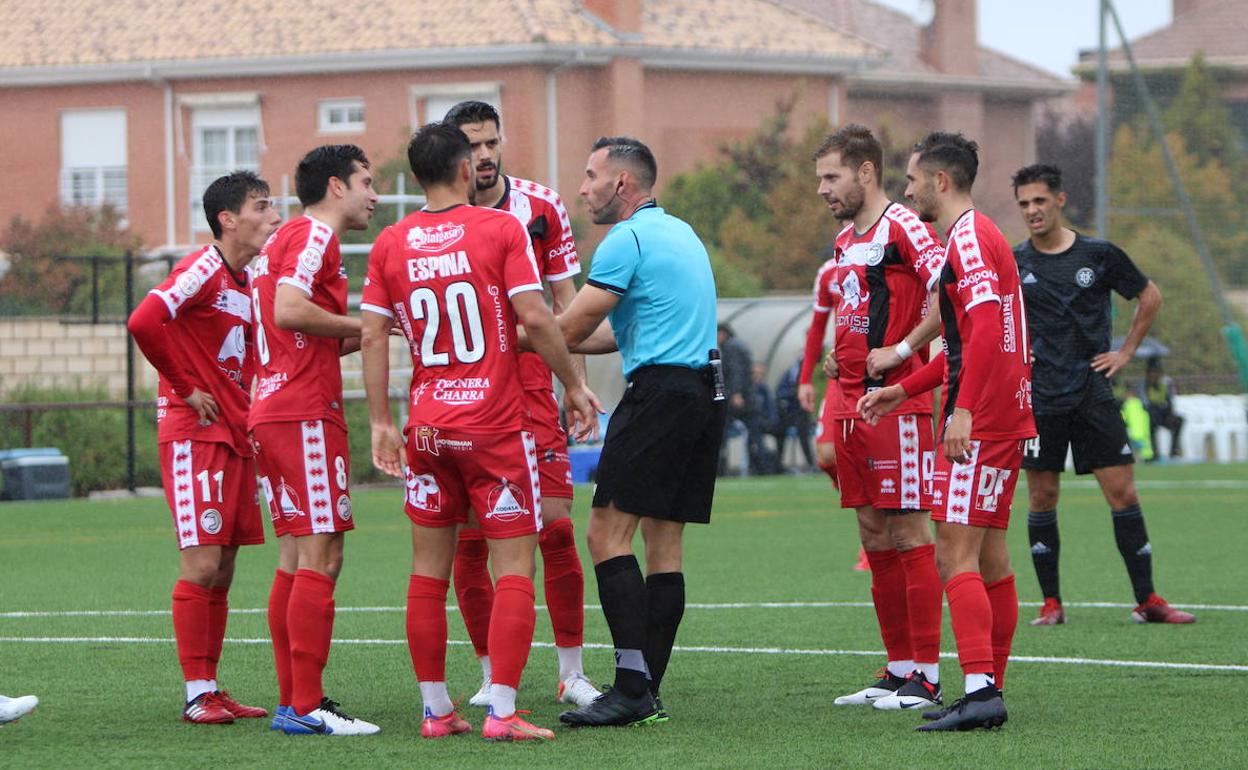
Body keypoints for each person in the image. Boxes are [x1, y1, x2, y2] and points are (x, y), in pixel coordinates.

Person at [361, 121, 599, 741]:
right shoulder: (501, 227)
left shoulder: (391, 241)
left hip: (428, 429)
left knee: (426, 573)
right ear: (467, 169)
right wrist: (572, 384)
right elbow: (536, 315)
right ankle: (502, 711)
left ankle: (437, 710)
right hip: (493, 427)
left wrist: (381, 421)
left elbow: (369, 334)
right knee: (516, 566)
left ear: (416, 179)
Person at [860, 131, 1035, 731]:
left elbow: (985, 331)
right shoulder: (978, 235)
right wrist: (903, 388)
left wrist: (961, 410)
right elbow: (963, 343)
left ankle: (981, 689)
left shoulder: (968, 236)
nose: (905, 192)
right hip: (1003, 413)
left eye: (911, 181)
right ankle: (991, 684)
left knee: (951, 552)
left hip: (982, 420)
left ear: (940, 181)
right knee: (989, 556)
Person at [553, 136, 724, 727]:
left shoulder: (623, 239)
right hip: (704, 391)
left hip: (661, 395)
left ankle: (629, 687)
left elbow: (571, 324)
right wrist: (547, 336)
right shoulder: (680, 232)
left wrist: (491, 338)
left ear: (621, 183)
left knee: (605, 534)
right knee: (663, 544)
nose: (583, 188)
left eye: (590, 174)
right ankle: (645, 686)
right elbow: (605, 335)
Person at [441, 100, 600, 709]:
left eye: (490, 142)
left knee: (557, 527)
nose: (482, 155)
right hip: (465, 392)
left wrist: (573, 382)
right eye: (470, 144)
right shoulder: (437, 217)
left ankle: (571, 671)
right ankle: (488, 674)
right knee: (472, 541)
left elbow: (566, 299)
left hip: (534, 382)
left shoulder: (539, 205)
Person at [802, 124, 947, 712]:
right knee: (873, 533)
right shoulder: (844, 241)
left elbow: (950, 294)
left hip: (900, 404)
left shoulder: (905, 226)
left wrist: (905, 350)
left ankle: (929, 676)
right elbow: (859, 311)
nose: (822, 189)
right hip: (853, 403)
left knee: (910, 530)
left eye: (831, 176)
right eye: (819, 179)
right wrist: (843, 353)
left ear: (866, 172)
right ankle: (897, 669)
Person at [127, 171, 279, 725]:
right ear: (228, 220)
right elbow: (145, 320)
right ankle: (196, 693)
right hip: (196, 433)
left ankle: (211, 686)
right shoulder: (202, 268)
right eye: (262, 207)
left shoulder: (246, 281)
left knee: (225, 567)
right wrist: (186, 387)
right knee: (203, 562)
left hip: (236, 434)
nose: (273, 216)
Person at [1011, 163, 1192, 626]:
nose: (1032, 210)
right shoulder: (1014, 262)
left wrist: (1125, 352)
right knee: (1042, 498)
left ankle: (1147, 599)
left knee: (1123, 492)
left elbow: (1149, 296)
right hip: (1042, 398)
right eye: (1024, 204)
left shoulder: (1099, 253)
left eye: (1039, 201)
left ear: (1059, 200)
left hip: (1092, 392)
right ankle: (1051, 604)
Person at [249, 144, 381, 736]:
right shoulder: (313, 238)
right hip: (303, 413)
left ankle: (293, 702)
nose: (375, 195)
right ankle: (307, 705)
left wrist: (376, 330)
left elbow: (302, 333)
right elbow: (289, 310)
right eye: (367, 182)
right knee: (323, 554)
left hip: (275, 407)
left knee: (297, 557)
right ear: (336, 186)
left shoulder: (279, 241)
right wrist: (369, 325)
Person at [773, 357, 816, 472]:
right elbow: (783, 392)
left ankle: (811, 463)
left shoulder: (795, 371)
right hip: (791, 410)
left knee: (803, 435)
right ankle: (779, 465)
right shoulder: (793, 372)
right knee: (783, 433)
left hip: (799, 410)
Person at [1139, 358, 1184, 460]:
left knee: (1178, 421)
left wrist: (1170, 413)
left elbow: (1170, 399)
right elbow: (1144, 403)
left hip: (1164, 413)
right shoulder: (1143, 385)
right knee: (1150, 423)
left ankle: (1174, 452)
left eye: (1156, 372)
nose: (1154, 375)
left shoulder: (1166, 383)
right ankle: (1154, 453)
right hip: (1151, 413)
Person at [745, 362, 779, 474]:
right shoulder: (747, 389)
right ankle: (761, 465)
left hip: (764, 423)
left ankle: (772, 464)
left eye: (760, 374)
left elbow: (770, 407)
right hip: (751, 422)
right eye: (755, 373)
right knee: (754, 432)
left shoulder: (764, 388)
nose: (757, 376)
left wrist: (771, 421)